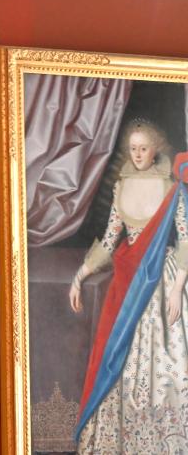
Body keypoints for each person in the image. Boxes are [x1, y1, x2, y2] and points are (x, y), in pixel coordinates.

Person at [69, 118, 188, 453]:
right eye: (133, 148)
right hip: (128, 282)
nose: (137, 154)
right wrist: (81, 274)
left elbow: (186, 239)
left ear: (155, 149)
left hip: (163, 279)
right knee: (120, 361)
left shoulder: (172, 188)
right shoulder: (121, 186)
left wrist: (177, 288)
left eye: (143, 148)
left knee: (168, 361)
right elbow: (110, 239)